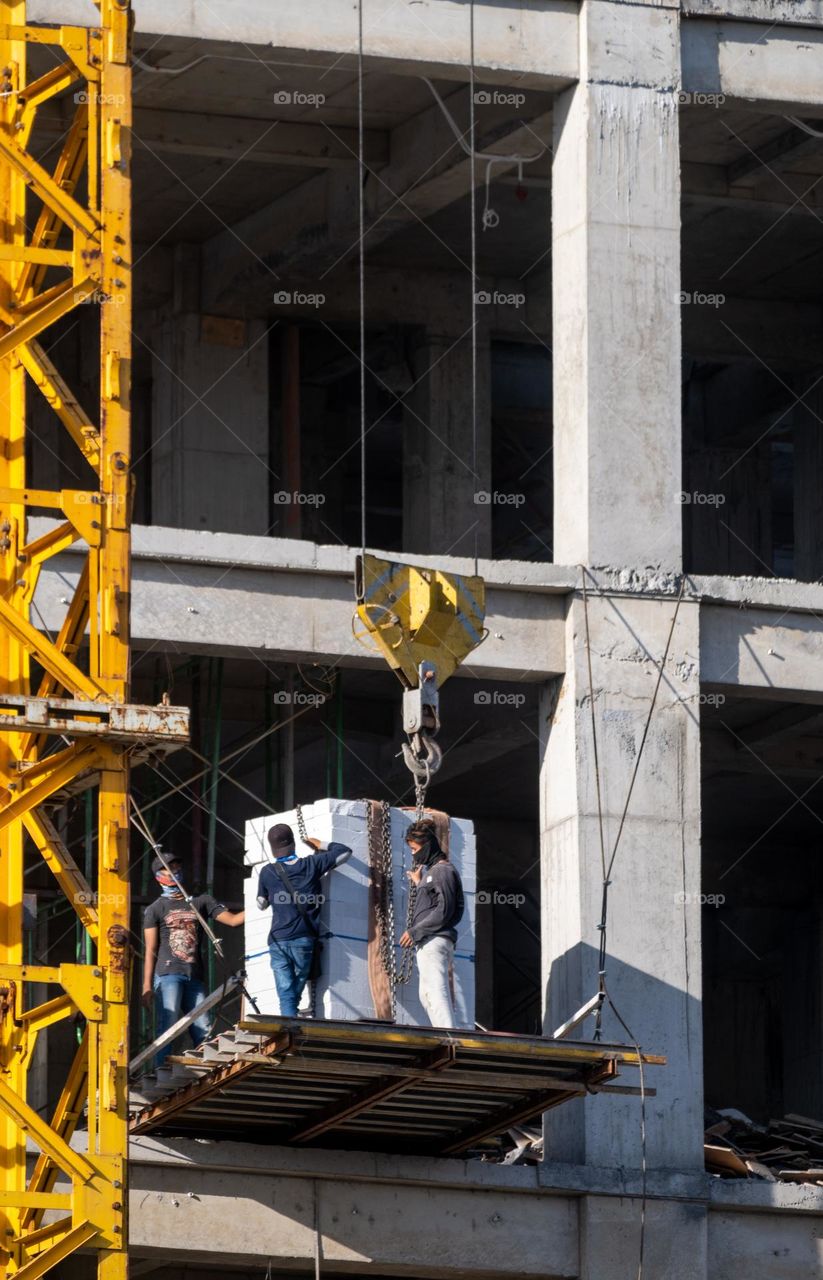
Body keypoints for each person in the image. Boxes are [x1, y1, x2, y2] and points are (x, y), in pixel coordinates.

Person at [142, 854, 245, 1067]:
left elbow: (233, 920)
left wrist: (262, 902)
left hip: (194, 975)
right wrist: (146, 986)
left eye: (177, 866)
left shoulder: (200, 901)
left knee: (203, 1026)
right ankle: (160, 1070)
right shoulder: (155, 909)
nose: (174, 871)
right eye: (167, 869)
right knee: (168, 1024)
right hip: (168, 973)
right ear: (158, 876)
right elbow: (151, 949)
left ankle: (207, 1070)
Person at [256, 822, 351, 1016]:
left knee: (285, 990)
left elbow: (261, 904)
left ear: (273, 850)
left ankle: (289, 1020)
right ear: (293, 844)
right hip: (303, 940)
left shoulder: (268, 871)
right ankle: (290, 1018)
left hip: (278, 940)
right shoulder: (312, 864)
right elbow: (345, 852)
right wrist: (319, 843)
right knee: (293, 989)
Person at [399, 818, 464, 1028]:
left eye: (414, 848)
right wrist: (420, 883)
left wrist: (415, 931)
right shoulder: (432, 873)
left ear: (427, 846)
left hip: (434, 939)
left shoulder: (442, 871)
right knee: (425, 994)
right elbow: (433, 903)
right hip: (430, 939)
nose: (413, 853)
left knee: (435, 989)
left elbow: (444, 909)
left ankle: (449, 1036)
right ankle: (444, 1031)